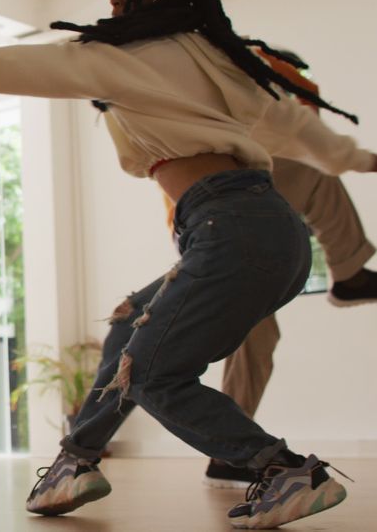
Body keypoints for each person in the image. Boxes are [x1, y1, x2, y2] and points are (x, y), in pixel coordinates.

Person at [0, 0, 374, 528]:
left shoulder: (125, 57)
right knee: (130, 320)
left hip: (225, 224)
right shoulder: (222, 60)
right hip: (270, 230)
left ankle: (283, 470)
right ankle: (75, 462)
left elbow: (54, 65)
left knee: (155, 374)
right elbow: (297, 127)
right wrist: (357, 159)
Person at [154, 49, 377, 488]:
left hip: (219, 226)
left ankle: (229, 451)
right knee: (317, 176)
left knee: (257, 336)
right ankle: (349, 273)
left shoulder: (243, 95)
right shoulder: (243, 85)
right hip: (221, 219)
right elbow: (305, 143)